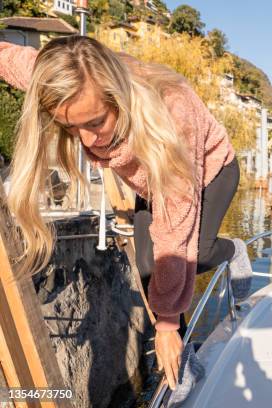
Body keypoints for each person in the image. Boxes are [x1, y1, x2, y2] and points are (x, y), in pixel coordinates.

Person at [0, 35, 253, 391]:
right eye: (70, 127)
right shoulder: (72, 81)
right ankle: (185, 367)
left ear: (118, 97)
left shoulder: (172, 112)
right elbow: (15, 61)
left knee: (191, 253)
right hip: (151, 183)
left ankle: (232, 249)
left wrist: (165, 323)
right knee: (150, 268)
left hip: (209, 172)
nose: (86, 141)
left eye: (95, 123)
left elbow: (175, 229)